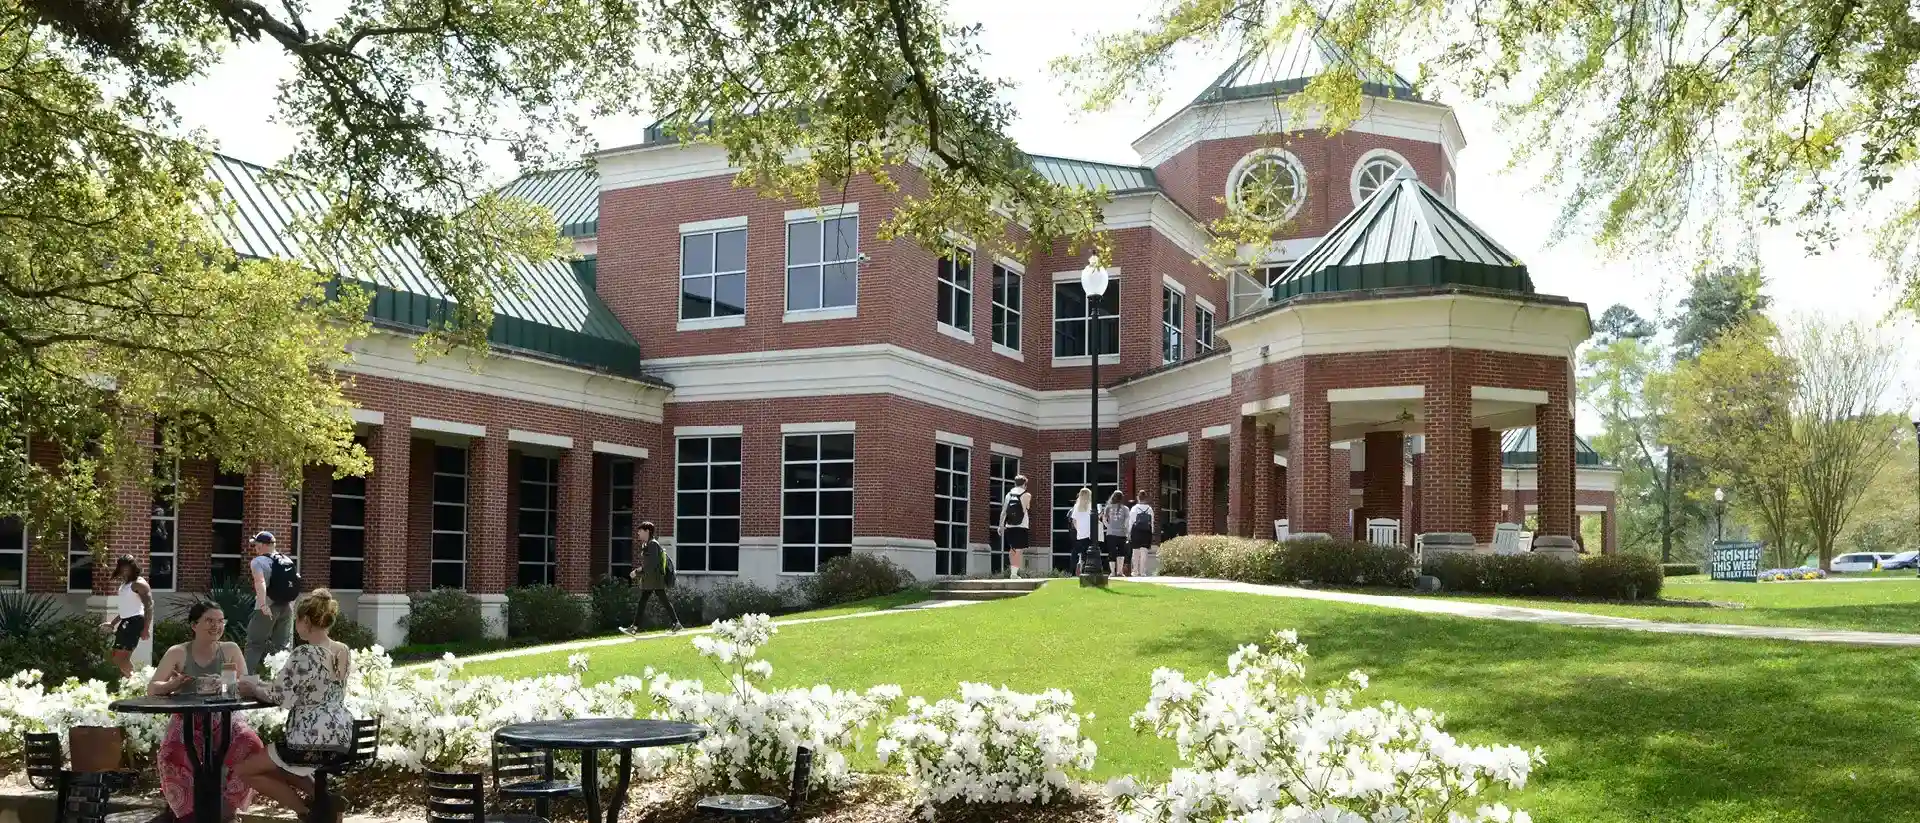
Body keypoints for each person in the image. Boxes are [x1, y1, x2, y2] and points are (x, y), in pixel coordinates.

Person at [236, 590, 354, 823]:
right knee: (281, 764)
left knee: (245, 770)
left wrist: (253, 689)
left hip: (309, 736)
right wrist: (268, 687)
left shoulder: (304, 652)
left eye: (298, 620)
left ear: (306, 621)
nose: (296, 625)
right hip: (341, 734)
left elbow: (280, 697)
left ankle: (307, 814)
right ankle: (326, 802)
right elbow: (313, 687)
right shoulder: (342, 650)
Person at [149, 601, 265, 822]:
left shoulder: (230, 649)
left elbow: (246, 684)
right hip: (188, 717)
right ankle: (188, 813)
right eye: (209, 621)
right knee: (171, 755)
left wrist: (226, 683)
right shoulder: (178, 652)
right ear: (194, 625)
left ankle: (228, 809)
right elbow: (153, 688)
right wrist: (173, 685)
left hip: (225, 716)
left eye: (220, 621)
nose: (216, 626)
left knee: (250, 744)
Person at [245, 531, 299, 675]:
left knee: (254, 643)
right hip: (287, 606)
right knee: (282, 646)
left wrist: (263, 604)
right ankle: (283, 679)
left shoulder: (258, 562)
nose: (255, 547)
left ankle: (247, 678)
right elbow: (294, 583)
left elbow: (260, 582)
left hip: (267, 606)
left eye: (256, 544)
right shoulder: (287, 560)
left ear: (263, 545)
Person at [101, 555, 153, 677]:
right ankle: (129, 684)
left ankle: (134, 683)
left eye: (127, 567)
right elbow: (127, 609)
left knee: (120, 658)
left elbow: (149, 606)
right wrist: (113, 623)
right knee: (117, 657)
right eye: (122, 567)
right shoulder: (125, 584)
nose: (124, 570)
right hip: (126, 621)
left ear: (133, 567)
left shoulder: (139, 584)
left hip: (134, 622)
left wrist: (146, 628)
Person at [625, 521, 682, 634]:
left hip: (655, 580)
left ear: (647, 531)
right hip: (651, 580)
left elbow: (651, 564)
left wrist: (637, 572)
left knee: (655, 601)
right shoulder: (648, 545)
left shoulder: (653, 544)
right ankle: (676, 623)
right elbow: (648, 565)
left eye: (640, 531)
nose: (638, 534)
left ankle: (634, 627)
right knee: (655, 601)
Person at [997, 475, 1033, 578]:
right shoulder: (1026, 495)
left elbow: (1004, 512)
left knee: (1012, 549)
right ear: (1024, 484)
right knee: (1018, 550)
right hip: (1021, 525)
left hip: (1009, 525)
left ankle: (1013, 572)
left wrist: (1000, 525)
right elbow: (1027, 507)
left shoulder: (1009, 494)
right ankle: (1014, 573)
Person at [1069, 486, 1102, 575]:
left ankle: (1077, 567)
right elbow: (1097, 519)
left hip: (1080, 534)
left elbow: (1074, 521)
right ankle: (1086, 569)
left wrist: (1078, 529)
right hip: (1090, 533)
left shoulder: (1076, 506)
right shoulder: (1092, 506)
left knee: (1079, 551)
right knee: (1088, 553)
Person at [1100, 491, 1131, 577]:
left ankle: (1112, 572)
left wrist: (1108, 527)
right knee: (1121, 552)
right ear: (1122, 498)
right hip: (1122, 533)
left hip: (1111, 534)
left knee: (1112, 552)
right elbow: (1126, 522)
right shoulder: (1125, 509)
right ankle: (1120, 572)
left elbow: (1104, 519)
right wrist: (1127, 531)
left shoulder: (1108, 508)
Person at [1128, 491, 1157, 577]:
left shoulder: (1134, 508)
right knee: (1144, 552)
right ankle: (1143, 571)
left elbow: (1131, 521)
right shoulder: (1150, 509)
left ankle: (1135, 571)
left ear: (1138, 498)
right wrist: (1151, 532)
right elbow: (1152, 522)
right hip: (1146, 532)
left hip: (1136, 531)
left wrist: (1129, 533)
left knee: (1135, 552)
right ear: (1146, 498)